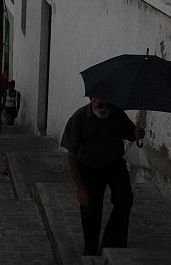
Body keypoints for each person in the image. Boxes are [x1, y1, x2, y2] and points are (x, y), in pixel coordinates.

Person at [60, 98, 146, 256]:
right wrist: (79, 186)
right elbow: (72, 154)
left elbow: (131, 134)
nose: (102, 104)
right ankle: (90, 249)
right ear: (91, 99)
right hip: (89, 167)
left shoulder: (116, 114)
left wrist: (137, 133)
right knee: (90, 208)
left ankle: (113, 243)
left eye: (105, 99)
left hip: (114, 165)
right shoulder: (78, 119)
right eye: (98, 99)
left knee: (125, 198)